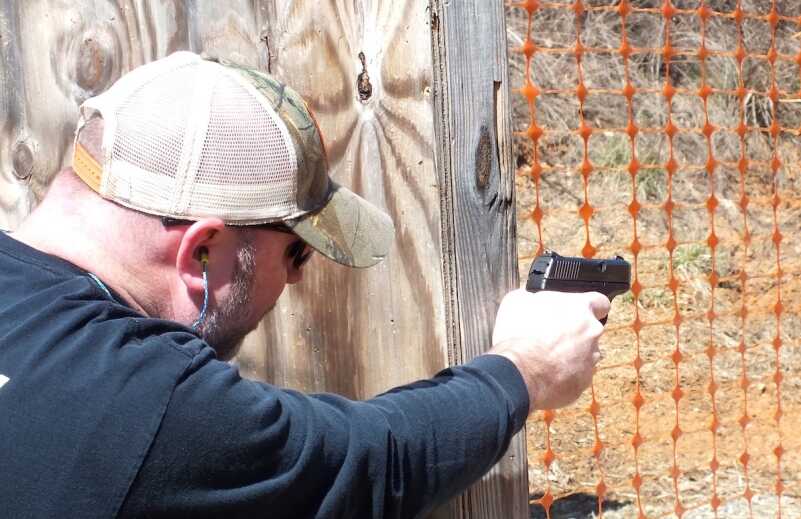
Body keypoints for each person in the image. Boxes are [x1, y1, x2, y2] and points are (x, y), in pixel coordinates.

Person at [0, 52, 609, 518]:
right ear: (202, 251)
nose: (297, 274)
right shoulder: (156, 407)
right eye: (296, 250)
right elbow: (375, 460)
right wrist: (527, 368)